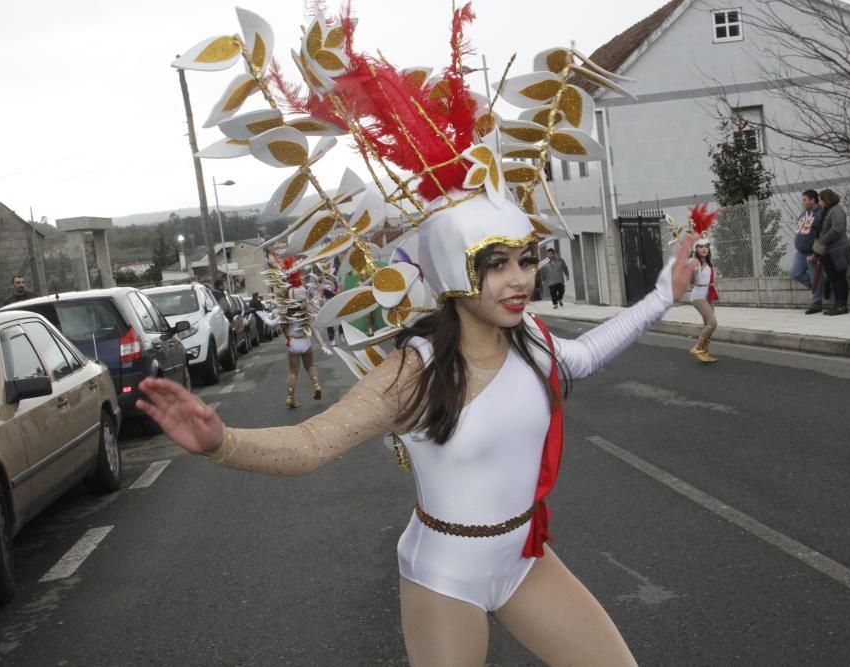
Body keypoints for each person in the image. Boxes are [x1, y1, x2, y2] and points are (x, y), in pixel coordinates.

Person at [155, 6, 685, 663]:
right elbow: (311, 442)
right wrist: (221, 442)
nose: (518, 279)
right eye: (496, 264)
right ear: (455, 273)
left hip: (524, 557)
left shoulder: (536, 343)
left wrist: (665, 293)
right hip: (445, 577)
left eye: (524, 258)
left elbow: (590, 353)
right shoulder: (416, 370)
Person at [281, 270, 328, 408]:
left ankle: (290, 397)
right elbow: (314, 330)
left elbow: (274, 323)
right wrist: (323, 344)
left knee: (293, 372)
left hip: (293, 343)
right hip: (305, 342)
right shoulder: (307, 311)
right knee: (310, 366)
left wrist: (266, 318)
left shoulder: (286, 312)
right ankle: (317, 385)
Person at [815, 189, 850, 316]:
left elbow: (837, 228)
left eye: (821, 199)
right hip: (829, 251)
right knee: (834, 278)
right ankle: (837, 304)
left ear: (827, 199)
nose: (819, 202)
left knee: (840, 278)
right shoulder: (827, 212)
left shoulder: (836, 210)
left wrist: (823, 240)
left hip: (838, 250)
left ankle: (842, 305)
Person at [790, 190, 826, 314]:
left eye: (805, 200)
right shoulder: (803, 214)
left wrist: (817, 251)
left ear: (813, 200)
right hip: (800, 252)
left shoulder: (820, 214)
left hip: (812, 252)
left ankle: (816, 304)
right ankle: (822, 288)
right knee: (795, 273)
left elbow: (822, 234)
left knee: (815, 277)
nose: (803, 202)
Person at [689, 237, 719, 363]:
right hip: (698, 296)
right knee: (713, 323)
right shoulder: (695, 263)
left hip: (708, 295)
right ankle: (697, 348)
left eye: (706, 246)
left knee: (707, 325)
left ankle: (704, 352)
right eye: (700, 247)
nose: (704, 249)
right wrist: (693, 271)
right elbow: (692, 283)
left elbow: (711, 281)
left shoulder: (709, 263)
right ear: (696, 249)